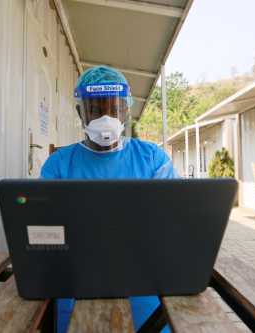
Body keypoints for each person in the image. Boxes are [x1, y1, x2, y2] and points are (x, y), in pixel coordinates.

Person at [41, 65, 177, 332]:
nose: (105, 117)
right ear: (81, 112)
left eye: (113, 109)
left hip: (145, 287)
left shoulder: (152, 158)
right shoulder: (58, 164)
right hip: (76, 285)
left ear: (126, 110)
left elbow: (172, 223)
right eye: (95, 109)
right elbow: (44, 230)